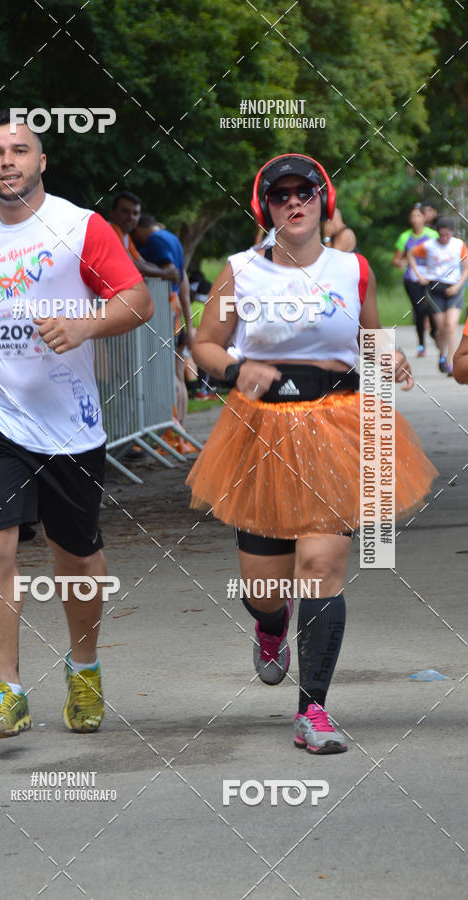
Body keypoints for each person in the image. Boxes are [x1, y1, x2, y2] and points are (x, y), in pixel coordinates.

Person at [187, 153, 437, 754]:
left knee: (322, 568)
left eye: (306, 192)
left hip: (337, 425)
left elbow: (369, 339)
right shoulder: (240, 271)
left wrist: (389, 358)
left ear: (324, 202)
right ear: (265, 207)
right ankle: (270, 626)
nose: (294, 202)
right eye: (281, 195)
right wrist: (237, 370)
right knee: (265, 591)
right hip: (261, 433)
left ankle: (313, 711)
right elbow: (206, 345)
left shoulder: (353, 268)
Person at [0, 110, 153, 739]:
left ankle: (84, 665)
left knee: (75, 556)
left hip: (68, 423)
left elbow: (137, 300)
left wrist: (83, 325)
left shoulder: (80, 227)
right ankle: (7, 690)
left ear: (41, 161)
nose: (7, 161)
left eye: (20, 150)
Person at [133, 213, 194, 430]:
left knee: (168, 374)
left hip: (166, 314)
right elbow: (183, 277)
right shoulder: (172, 238)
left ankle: (173, 427)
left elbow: (171, 271)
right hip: (176, 313)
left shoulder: (155, 240)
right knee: (178, 374)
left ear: (140, 229)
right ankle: (181, 426)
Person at [408, 216, 468, 375]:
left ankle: (451, 362)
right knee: (441, 327)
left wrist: (458, 286)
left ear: (452, 233)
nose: (444, 238)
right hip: (434, 288)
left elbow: (466, 268)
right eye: (441, 235)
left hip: (454, 288)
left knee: (451, 325)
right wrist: (419, 275)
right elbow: (411, 255)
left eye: (447, 235)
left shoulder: (458, 245)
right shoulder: (429, 245)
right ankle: (442, 354)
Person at [392, 205, 438, 357]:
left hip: (430, 278)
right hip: (412, 278)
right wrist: (404, 262)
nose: (415, 219)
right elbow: (396, 260)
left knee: (432, 308)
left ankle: (434, 331)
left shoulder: (432, 235)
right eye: (413, 216)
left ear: (424, 218)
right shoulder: (405, 237)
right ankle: (421, 344)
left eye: (418, 216)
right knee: (419, 309)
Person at [108, 191, 179, 283]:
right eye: (125, 211)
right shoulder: (111, 230)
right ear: (112, 212)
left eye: (135, 213)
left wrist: (164, 272)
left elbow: (141, 262)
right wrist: (164, 273)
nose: (131, 217)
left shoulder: (126, 236)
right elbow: (131, 265)